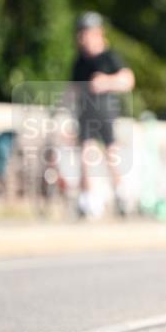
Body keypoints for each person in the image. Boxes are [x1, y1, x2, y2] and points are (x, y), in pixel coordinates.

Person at [70, 12, 135, 217]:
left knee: (111, 153)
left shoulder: (109, 57)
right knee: (85, 155)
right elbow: (73, 89)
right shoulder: (80, 61)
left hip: (106, 112)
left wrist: (106, 82)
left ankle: (120, 194)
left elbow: (128, 80)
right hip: (85, 113)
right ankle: (88, 199)